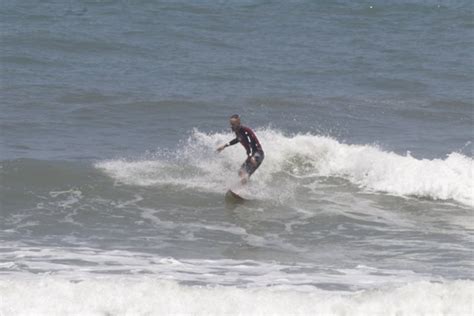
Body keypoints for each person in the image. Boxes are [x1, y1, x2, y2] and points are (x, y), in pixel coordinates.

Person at [217, 114, 264, 185]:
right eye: (231, 124)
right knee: (240, 172)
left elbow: (250, 143)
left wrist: (252, 157)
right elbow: (237, 140)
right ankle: (244, 188)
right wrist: (225, 146)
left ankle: (245, 188)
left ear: (238, 123)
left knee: (246, 174)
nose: (231, 126)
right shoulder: (237, 132)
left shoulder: (246, 131)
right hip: (251, 155)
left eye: (233, 124)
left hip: (258, 154)